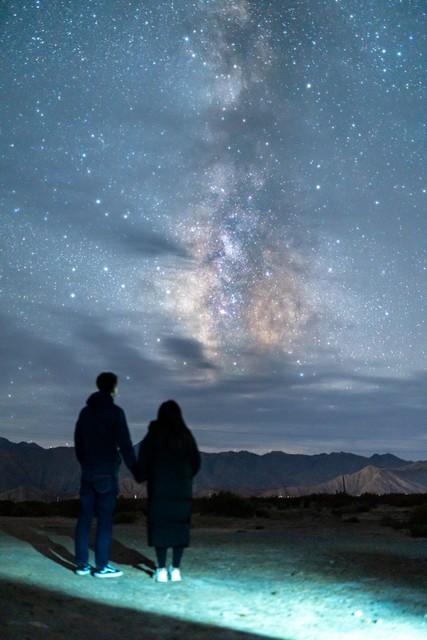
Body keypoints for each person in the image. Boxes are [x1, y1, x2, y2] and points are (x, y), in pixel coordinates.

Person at [74, 371, 137, 578]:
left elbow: (79, 443)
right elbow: (125, 445)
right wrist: (135, 469)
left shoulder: (85, 413)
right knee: (104, 521)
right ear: (113, 388)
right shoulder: (115, 412)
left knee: (84, 519)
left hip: (88, 472)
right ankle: (101, 566)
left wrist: (85, 463)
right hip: (106, 474)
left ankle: (81, 564)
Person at [136, 400, 201, 582]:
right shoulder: (186, 435)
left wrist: (143, 476)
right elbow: (196, 461)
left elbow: (144, 460)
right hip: (182, 491)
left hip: (159, 489)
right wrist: (186, 478)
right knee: (179, 528)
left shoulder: (154, 434)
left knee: (161, 528)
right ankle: (177, 569)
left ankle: (162, 569)